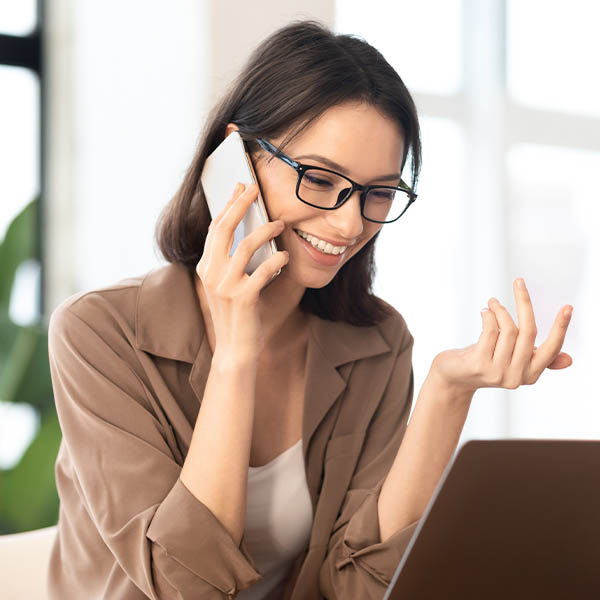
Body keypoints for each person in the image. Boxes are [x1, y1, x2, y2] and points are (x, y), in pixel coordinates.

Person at [46, 20, 574, 600]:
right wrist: (236, 353)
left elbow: (356, 589)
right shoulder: (97, 333)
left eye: (379, 193)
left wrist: (447, 392)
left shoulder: (376, 341)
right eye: (319, 180)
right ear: (236, 161)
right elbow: (184, 591)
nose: (350, 225)